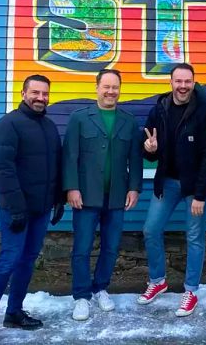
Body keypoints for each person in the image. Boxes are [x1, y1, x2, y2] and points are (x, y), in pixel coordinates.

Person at [0, 74, 64, 345]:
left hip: (40, 210)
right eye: (35, 92)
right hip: (17, 211)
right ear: (24, 93)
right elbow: (2, 170)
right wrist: (16, 209)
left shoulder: (49, 126)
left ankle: (14, 312)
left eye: (45, 93)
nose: (40, 98)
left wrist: (58, 199)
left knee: (27, 261)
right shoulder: (8, 125)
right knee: (8, 262)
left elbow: (55, 167)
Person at [137, 63, 206, 316]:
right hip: (168, 182)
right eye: (178, 81)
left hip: (193, 187)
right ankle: (158, 280)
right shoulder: (159, 110)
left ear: (194, 83)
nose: (183, 86)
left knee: (194, 237)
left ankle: (191, 290)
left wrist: (201, 194)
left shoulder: (204, 112)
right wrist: (149, 150)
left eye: (187, 81)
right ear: (171, 82)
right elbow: (150, 151)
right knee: (150, 230)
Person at [63, 69, 143, 321]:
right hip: (86, 196)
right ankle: (81, 296)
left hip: (117, 196)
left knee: (111, 247)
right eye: (106, 86)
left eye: (115, 87)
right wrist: (71, 188)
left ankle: (100, 288)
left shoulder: (128, 121)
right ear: (96, 87)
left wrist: (134, 187)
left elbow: (135, 159)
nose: (111, 92)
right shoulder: (79, 118)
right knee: (82, 248)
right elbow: (70, 156)